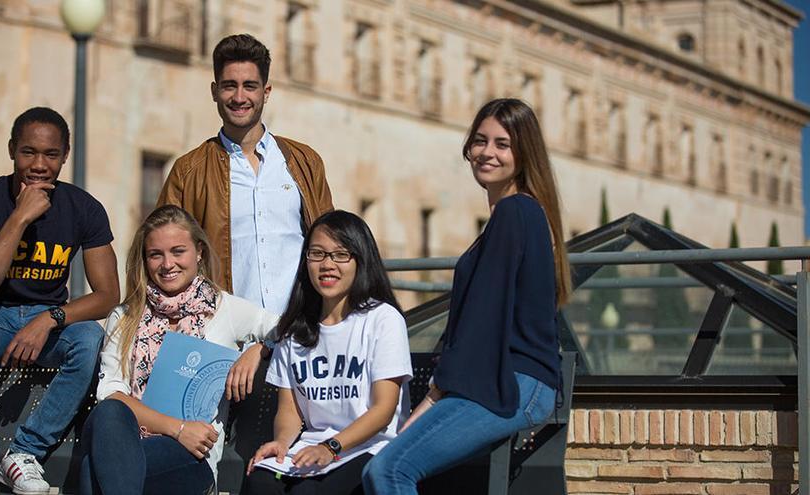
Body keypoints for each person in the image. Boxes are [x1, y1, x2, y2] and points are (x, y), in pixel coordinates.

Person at [362, 98, 572, 494]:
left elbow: (485, 317)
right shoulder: (520, 214)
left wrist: (434, 396)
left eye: (502, 144)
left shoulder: (515, 213)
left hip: (513, 384)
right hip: (510, 381)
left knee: (388, 470)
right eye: (480, 141)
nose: (486, 152)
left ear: (524, 153)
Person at [0, 106, 120, 495]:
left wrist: (49, 319)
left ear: (65, 155)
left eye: (51, 155)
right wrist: (19, 218)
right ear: (11, 150)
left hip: (48, 322)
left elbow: (108, 296)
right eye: (28, 152)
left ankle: (24, 453)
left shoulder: (83, 207)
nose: (39, 165)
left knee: (90, 338)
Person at [79, 205, 279, 495]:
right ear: (144, 260)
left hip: (190, 456)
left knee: (94, 467)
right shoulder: (124, 316)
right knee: (110, 413)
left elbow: (294, 329)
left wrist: (260, 348)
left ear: (199, 252)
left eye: (177, 251)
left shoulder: (225, 308)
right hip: (131, 439)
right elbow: (111, 392)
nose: (167, 264)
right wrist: (178, 428)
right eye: (155, 254)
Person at [157, 33, 334, 315]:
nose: (239, 97)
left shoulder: (305, 162)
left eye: (249, 86)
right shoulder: (187, 172)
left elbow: (331, 244)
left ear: (266, 92)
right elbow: (161, 254)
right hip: (226, 337)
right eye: (230, 86)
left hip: (300, 331)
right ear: (214, 91)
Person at [243, 210, 412, 495]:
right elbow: (290, 411)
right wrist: (282, 443)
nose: (327, 265)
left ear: (361, 260)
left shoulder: (383, 319)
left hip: (370, 448)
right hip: (312, 449)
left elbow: (383, 411)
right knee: (259, 482)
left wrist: (331, 447)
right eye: (317, 254)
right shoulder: (295, 330)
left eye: (340, 255)